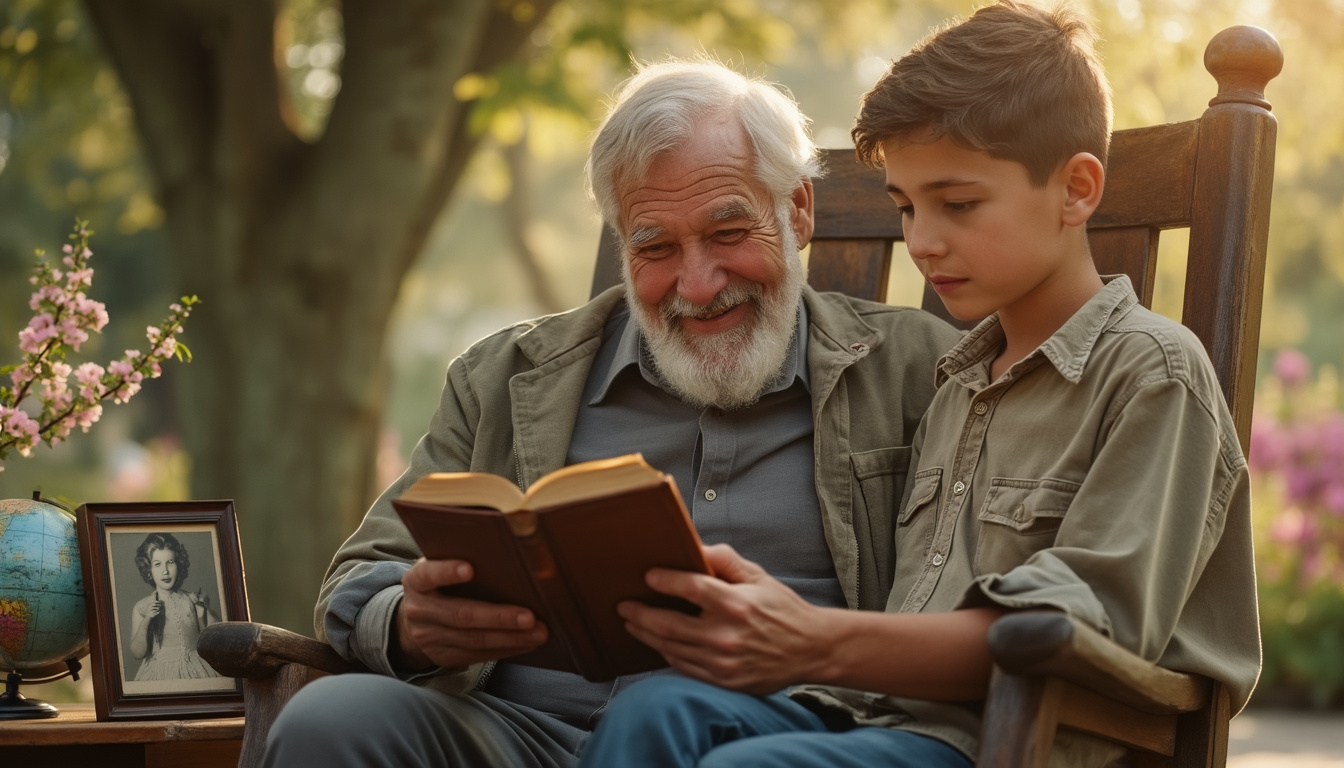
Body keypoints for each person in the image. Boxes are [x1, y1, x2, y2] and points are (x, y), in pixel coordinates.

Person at [572, 3, 1262, 768]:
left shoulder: (1152, 376)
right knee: (654, 709)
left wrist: (815, 637)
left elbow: (1075, 634)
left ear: (1076, 190)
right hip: (883, 724)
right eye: (906, 206)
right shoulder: (958, 383)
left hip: (1019, 741)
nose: (924, 240)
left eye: (958, 204)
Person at [260, 59, 961, 767]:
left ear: (798, 211)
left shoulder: (917, 370)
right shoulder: (506, 378)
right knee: (330, 718)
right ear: (623, 245)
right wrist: (411, 624)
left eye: (727, 233)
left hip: (772, 738)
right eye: (655, 247)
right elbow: (364, 575)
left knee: (664, 719)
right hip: (519, 734)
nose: (698, 283)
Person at [128, 532, 221, 681]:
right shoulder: (142, 607)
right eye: (157, 564)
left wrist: (204, 609)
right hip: (161, 673)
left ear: (179, 564)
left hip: (197, 669)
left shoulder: (191, 599)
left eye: (170, 562)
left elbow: (216, 639)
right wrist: (147, 619)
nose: (165, 571)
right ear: (149, 570)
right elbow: (137, 653)